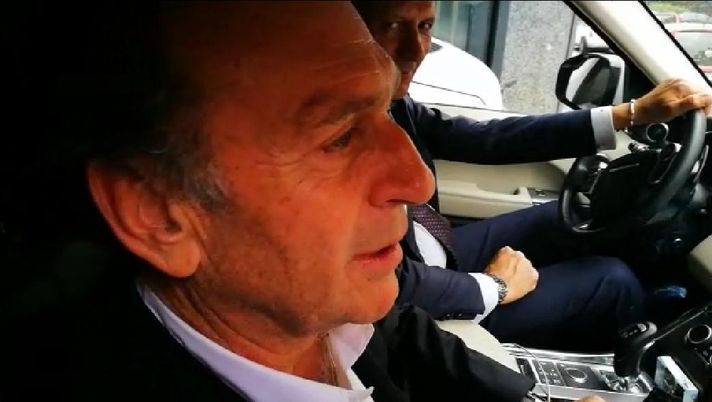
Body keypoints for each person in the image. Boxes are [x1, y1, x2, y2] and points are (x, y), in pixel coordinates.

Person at [0, 2, 618, 401]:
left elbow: (409, 341)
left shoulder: (324, 306)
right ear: (159, 214)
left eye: (383, 113)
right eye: (338, 137)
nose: (417, 181)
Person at [353, 0, 712, 350]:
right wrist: (495, 286)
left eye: (425, 26)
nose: (416, 49)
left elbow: (485, 139)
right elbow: (384, 280)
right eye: (394, 25)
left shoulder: (389, 102)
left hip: (426, 251)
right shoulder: (331, 133)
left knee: (564, 219)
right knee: (612, 281)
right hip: (409, 309)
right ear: (348, 30)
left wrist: (628, 114)